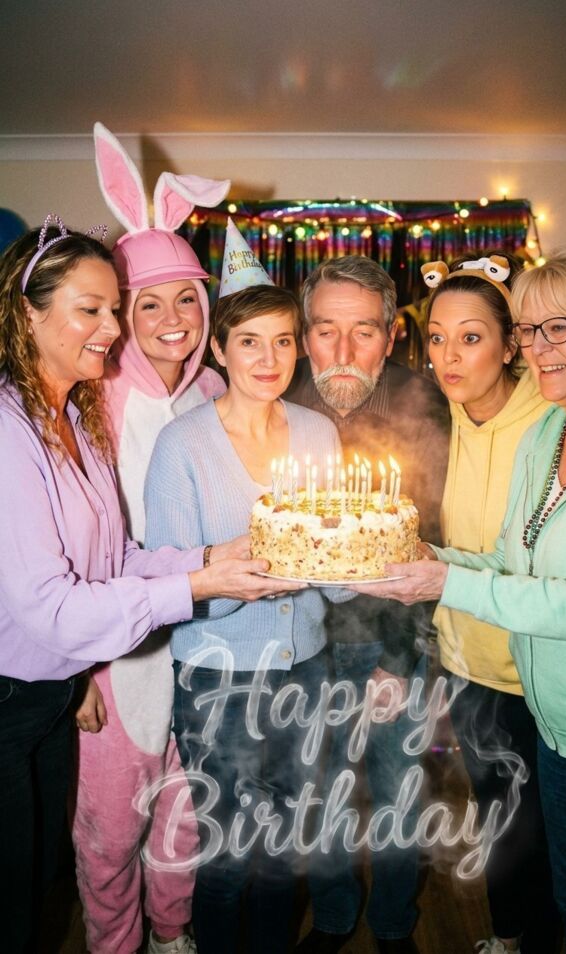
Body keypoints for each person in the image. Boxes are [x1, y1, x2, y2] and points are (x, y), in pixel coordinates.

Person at [0, 218, 294, 953]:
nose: (113, 327)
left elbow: (116, 555)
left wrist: (210, 559)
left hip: (70, 685)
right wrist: (194, 585)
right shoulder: (18, 428)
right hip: (34, 686)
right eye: (93, 309)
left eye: (112, 307)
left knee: (53, 873)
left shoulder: (73, 416)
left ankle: (168, 934)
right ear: (27, 313)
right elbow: (53, 605)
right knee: (60, 863)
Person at [354, 242, 566, 954]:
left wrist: (448, 582)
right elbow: (513, 558)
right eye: (532, 329)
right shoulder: (551, 432)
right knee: (563, 891)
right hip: (550, 715)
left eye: (558, 327)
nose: (540, 347)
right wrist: (431, 560)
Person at [144, 221, 351, 954]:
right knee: (231, 849)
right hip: (219, 675)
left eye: (284, 341)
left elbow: (332, 575)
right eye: (250, 342)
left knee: (284, 841)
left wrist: (367, 567)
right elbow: (173, 581)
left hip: (306, 667)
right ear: (220, 350)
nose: (269, 359)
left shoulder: (319, 433)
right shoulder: (182, 444)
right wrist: (250, 575)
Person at [72, 123, 230, 954]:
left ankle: (172, 935)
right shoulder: (88, 405)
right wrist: (76, 671)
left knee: (185, 814)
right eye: (149, 302)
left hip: (203, 646)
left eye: (187, 299)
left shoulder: (216, 392)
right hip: (118, 658)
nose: (174, 320)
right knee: (110, 832)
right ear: (122, 314)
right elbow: (67, 546)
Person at [287, 255, 449, 954]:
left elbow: (435, 538)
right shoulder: (276, 397)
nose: (344, 351)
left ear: (390, 336)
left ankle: (391, 923)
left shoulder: (425, 404)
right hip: (300, 645)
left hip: (390, 641)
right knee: (318, 791)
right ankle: (332, 915)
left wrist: (398, 659)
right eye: (326, 331)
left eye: (364, 332)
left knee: (396, 789)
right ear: (304, 336)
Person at [422, 253, 558, 954]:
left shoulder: (555, 420)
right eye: (437, 337)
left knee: (549, 825)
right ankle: (508, 934)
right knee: (499, 817)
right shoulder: (439, 411)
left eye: (471, 338)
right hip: (466, 656)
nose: (449, 356)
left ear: (511, 346)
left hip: (541, 662)